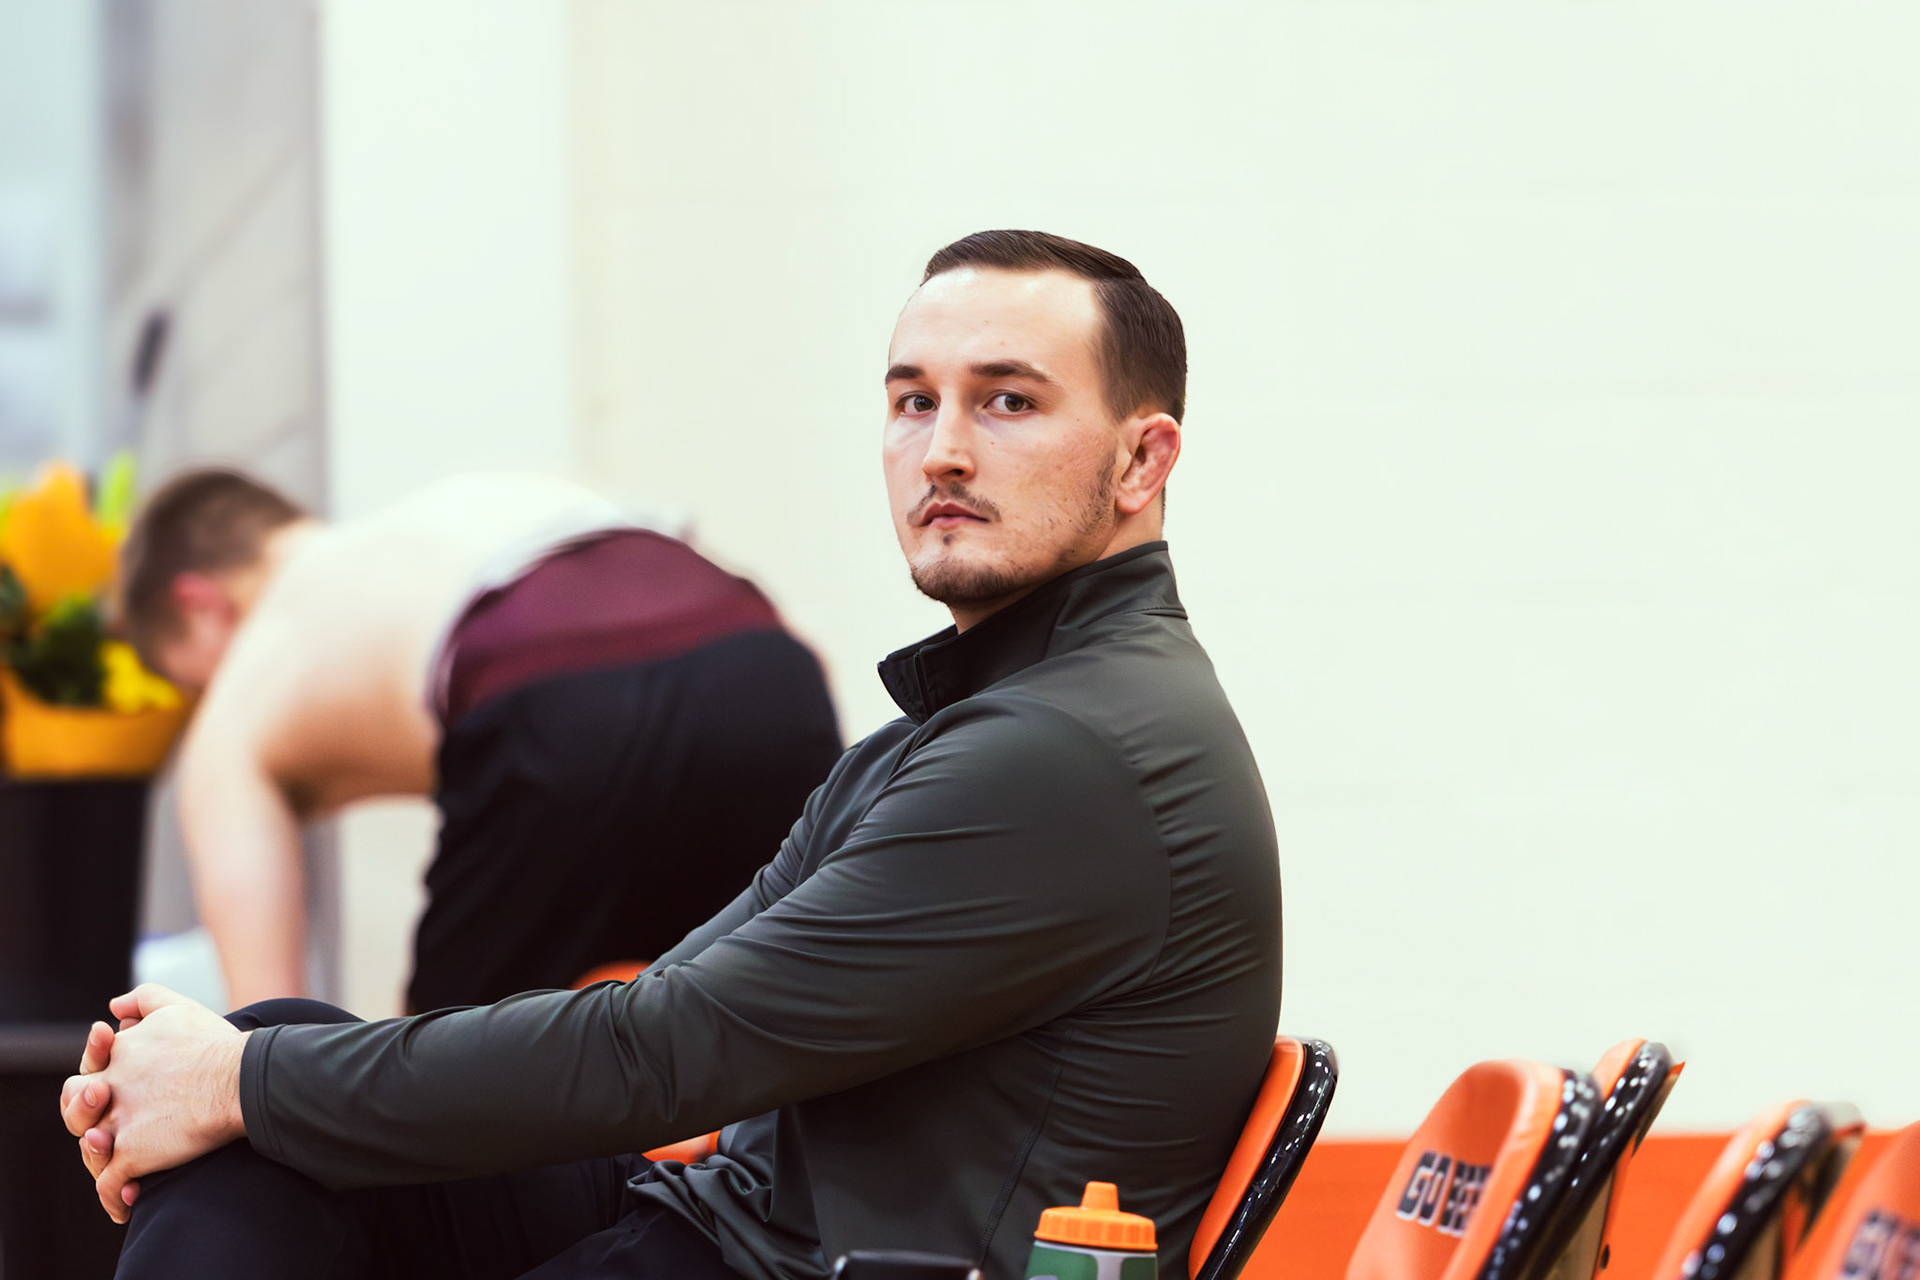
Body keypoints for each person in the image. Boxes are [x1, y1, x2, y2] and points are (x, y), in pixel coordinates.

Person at [64, 230, 1283, 1280]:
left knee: (261, 1089)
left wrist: (238, 1079)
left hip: (799, 1258)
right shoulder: (962, 725)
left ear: (1142, 459)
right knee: (272, 1059)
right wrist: (227, 1070)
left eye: (1008, 401)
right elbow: (672, 1000)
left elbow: (665, 1051)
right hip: (732, 1218)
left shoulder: (1064, 754)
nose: (942, 451)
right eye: (914, 400)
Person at [118, 469, 842, 1011]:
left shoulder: (237, 698)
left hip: (561, 708)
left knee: (423, 1101)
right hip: (772, 676)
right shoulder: (457, 509)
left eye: (188, 682)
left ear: (201, 606)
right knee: (779, 1042)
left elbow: (267, 1030)